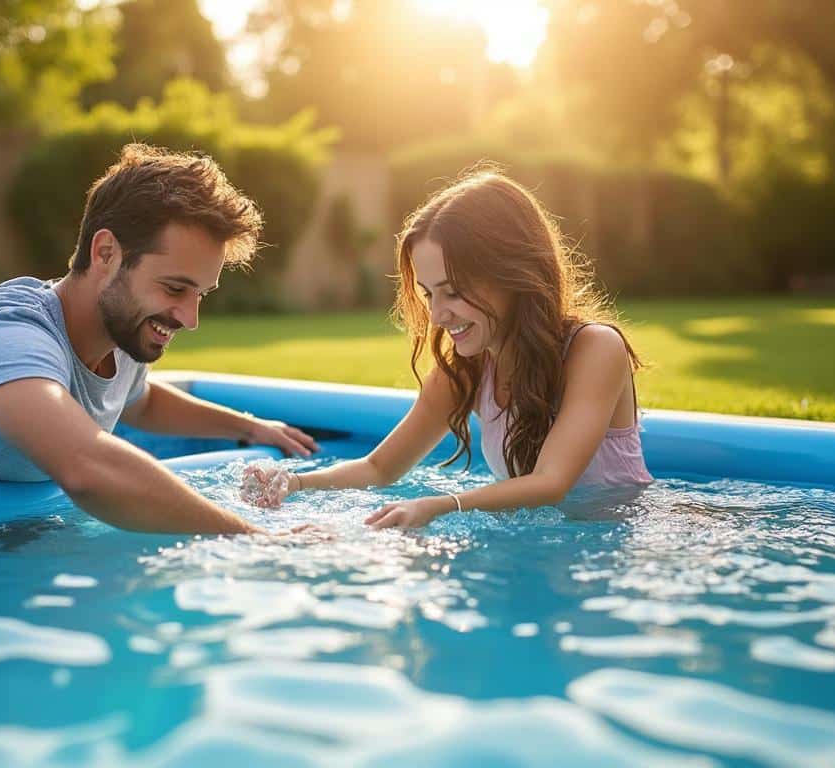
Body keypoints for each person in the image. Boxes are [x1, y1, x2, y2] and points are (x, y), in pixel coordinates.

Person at [0, 144, 318, 535]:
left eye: (200, 294)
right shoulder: (5, 336)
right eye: (174, 289)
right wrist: (253, 538)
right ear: (106, 253)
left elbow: (140, 401)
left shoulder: (122, 335)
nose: (190, 318)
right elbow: (87, 467)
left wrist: (249, 428)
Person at [242, 169, 650, 528]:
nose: (437, 315)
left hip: (619, 544)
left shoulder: (595, 349)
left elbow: (551, 482)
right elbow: (379, 467)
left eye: (452, 292)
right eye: (428, 294)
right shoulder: (467, 370)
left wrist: (442, 506)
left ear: (511, 274)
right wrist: (295, 482)